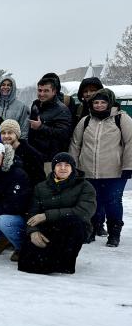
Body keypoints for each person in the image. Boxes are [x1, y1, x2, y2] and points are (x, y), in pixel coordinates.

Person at [69, 88, 132, 246]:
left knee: (113, 202)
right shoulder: (86, 121)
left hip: (114, 171)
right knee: (92, 201)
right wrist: (74, 166)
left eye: (103, 102)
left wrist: (128, 166)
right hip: (88, 170)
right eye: (96, 102)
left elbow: (130, 142)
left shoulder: (121, 119)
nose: (99, 105)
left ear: (110, 103)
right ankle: (92, 230)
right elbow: (76, 144)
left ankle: (114, 233)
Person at [19, 153, 96, 275]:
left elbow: (83, 212)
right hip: (48, 227)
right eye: (59, 165)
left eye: (67, 165)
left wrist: (46, 215)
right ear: (53, 167)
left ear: (73, 168)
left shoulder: (85, 186)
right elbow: (32, 212)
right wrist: (33, 231)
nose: (63, 168)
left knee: (74, 222)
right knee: (26, 264)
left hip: (73, 228)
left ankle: (65, 262)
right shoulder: (41, 187)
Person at [29, 76, 72, 164]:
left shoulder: (62, 110)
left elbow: (63, 134)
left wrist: (41, 127)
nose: (42, 94)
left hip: (51, 158)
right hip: (35, 155)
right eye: (40, 90)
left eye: (46, 91)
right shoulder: (36, 105)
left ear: (54, 91)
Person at [0, 119, 46, 187]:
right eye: (3, 133)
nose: (6, 136)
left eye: (10, 133)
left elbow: (39, 181)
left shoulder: (32, 154)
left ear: (17, 134)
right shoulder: (0, 151)